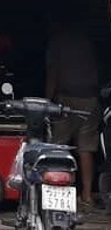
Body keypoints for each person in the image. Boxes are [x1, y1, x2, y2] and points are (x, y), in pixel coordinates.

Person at [46, 19, 100, 212]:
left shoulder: (57, 43)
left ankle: (61, 192)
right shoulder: (87, 42)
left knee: (59, 147)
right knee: (85, 148)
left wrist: (47, 101)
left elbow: (53, 73)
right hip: (90, 98)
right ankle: (86, 196)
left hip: (66, 98)